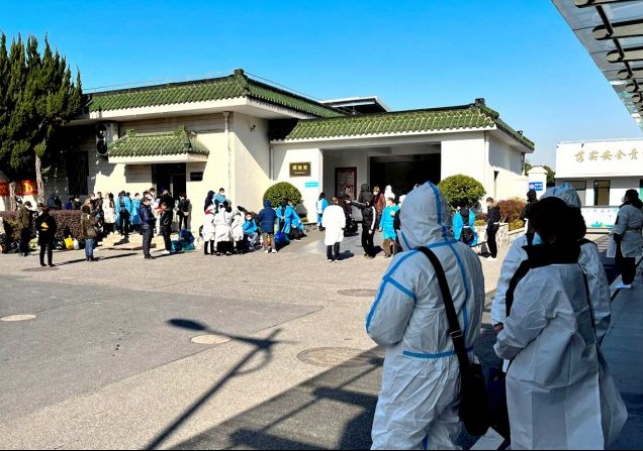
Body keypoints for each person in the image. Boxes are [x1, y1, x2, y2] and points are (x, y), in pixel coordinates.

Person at [494, 197, 627, 450]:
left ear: (551, 236)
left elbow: (517, 333)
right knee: (572, 436)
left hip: (537, 378)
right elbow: (597, 311)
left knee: (535, 438)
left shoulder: (544, 277)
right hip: (572, 367)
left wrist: (502, 348)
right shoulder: (573, 269)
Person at [366, 182, 485, 450]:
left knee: (394, 443)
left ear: (410, 219)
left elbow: (381, 329)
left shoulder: (410, 263)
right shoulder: (468, 256)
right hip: (460, 365)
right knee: (442, 442)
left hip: (415, 373)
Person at [493, 183, 612, 344]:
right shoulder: (523, 245)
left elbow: (598, 305)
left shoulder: (586, 250)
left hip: (566, 347)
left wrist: (588, 345)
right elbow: (506, 288)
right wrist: (501, 323)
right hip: (525, 342)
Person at [612, 189, 643, 289]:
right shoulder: (639, 208)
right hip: (636, 236)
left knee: (624, 261)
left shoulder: (625, 209)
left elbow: (621, 224)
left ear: (627, 197)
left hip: (626, 238)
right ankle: (628, 281)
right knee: (631, 260)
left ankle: (626, 282)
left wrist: (617, 235)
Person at [350, 194, 378, 259]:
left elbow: (374, 219)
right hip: (365, 227)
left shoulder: (373, 208)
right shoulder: (365, 206)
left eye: (368, 201)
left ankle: (371, 254)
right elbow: (358, 204)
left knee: (370, 241)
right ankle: (367, 252)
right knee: (363, 241)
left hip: (370, 228)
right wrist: (351, 202)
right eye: (366, 201)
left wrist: (371, 229)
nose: (366, 202)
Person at [322, 197, 346, 262]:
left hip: (329, 227)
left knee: (329, 242)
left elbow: (324, 218)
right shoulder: (340, 209)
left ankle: (329, 257)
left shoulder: (327, 209)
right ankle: (336, 257)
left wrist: (324, 225)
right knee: (337, 242)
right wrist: (343, 226)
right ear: (337, 202)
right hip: (337, 227)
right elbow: (343, 218)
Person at [139, 196, 156, 260]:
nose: (149, 201)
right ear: (144, 201)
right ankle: (146, 255)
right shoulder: (144, 209)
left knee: (146, 241)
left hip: (145, 226)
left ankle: (147, 254)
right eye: (148, 200)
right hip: (147, 226)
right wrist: (154, 218)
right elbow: (147, 218)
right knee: (147, 241)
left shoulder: (145, 208)